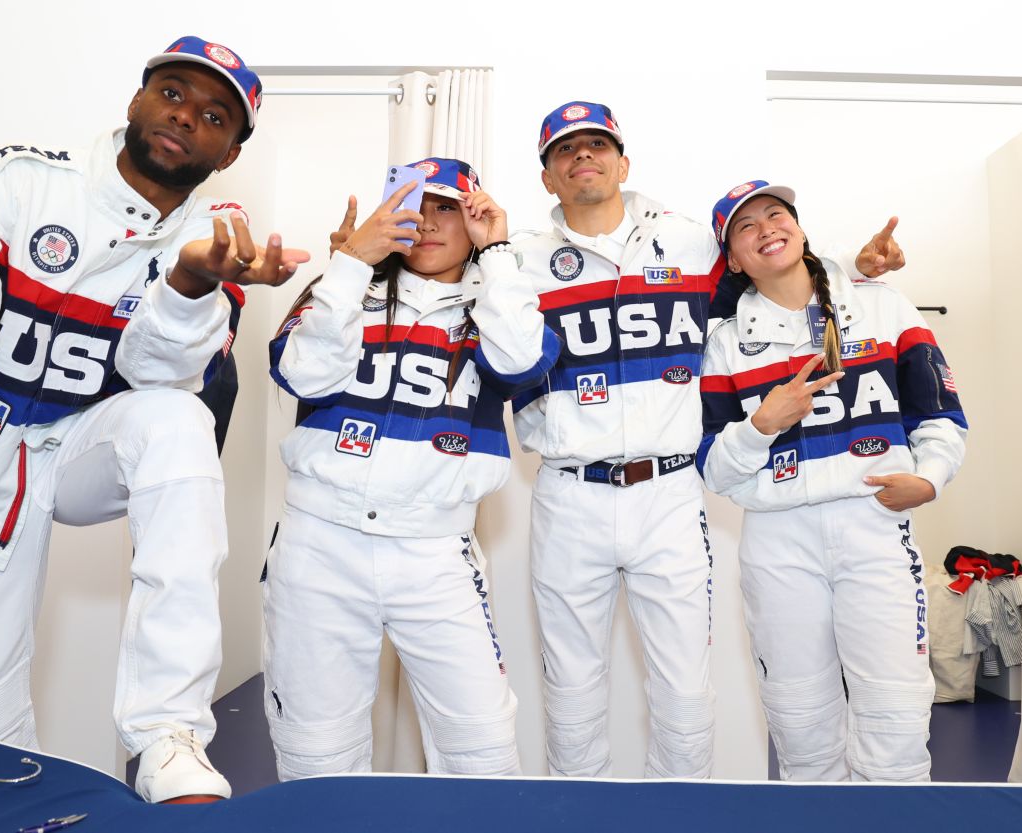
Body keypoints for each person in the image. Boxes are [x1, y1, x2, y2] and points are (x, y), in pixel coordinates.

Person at [0, 36, 308, 803]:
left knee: (178, 424)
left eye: (215, 116)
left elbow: (156, 382)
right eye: (174, 94)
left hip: (88, 449)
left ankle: (166, 734)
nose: (186, 117)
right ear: (137, 100)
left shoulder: (215, 237)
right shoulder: (18, 183)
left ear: (227, 153)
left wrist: (188, 283)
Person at [510, 102, 905, 778]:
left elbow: (775, 267)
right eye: (565, 150)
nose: (583, 157)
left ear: (623, 162)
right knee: (571, 689)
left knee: (686, 690)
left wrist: (852, 265)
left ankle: (679, 818)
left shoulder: (690, 242)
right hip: (568, 493)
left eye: (597, 144)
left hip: (669, 490)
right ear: (547, 177)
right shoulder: (519, 258)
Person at [264, 158, 559, 779]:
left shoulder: (501, 298)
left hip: (435, 553)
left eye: (446, 208)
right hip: (320, 544)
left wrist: (499, 253)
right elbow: (301, 373)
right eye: (412, 207)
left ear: (473, 218)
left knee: (482, 746)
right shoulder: (339, 288)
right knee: (317, 750)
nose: (427, 222)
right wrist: (349, 265)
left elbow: (522, 365)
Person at [698, 180, 967, 781]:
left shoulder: (880, 303)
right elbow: (714, 468)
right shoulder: (723, 345)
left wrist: (929, 479)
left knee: (895, 714)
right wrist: (759, 427)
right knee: (799, 723)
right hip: (776, 538)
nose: (766, 228)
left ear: (800, 230)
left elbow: (939, 414)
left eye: (776, 214)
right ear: (734, 259)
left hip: (874, 527)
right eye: (746, 226)